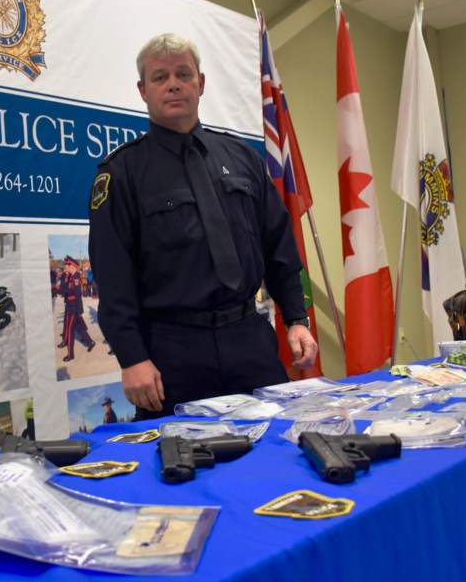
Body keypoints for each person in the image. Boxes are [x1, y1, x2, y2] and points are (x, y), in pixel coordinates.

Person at [88, 32, 318, 420]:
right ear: (143, 91)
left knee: (276, 447)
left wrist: (296, 319)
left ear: (201, 82)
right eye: (160, 78)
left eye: (183, 73)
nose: (173, 84)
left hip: (249, 338)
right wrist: (132, 358)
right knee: (178, 464)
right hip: (171, 350)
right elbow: (114, 279)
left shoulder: (243, 158)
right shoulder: (122, 173)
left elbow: (278, 245)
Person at [58, 255, 96, 362]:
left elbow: (78, 295)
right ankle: (90, 342)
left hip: (74, 308)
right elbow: (65, 291)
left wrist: (79, 310)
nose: (65, 267)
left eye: (67, 265)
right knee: (78, 327)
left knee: (70, 330)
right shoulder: (70, 277)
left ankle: (70, 355)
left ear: (73, 266)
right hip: (70, 306)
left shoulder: (75, 278)